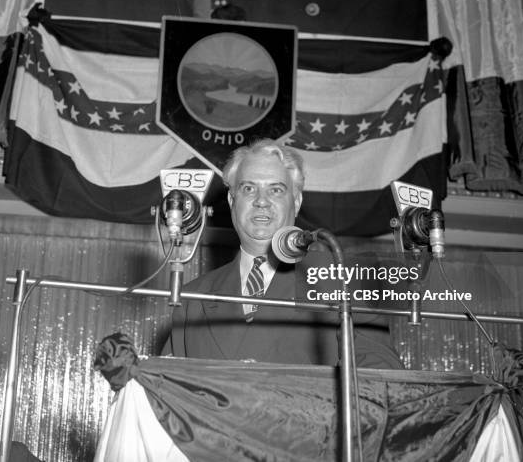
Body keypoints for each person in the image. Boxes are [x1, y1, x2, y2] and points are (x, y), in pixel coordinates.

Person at [162, 139, 403, 368]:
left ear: (296, 202)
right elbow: (163, 391)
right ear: (231, 199)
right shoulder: (192, 299)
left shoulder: (337, 282)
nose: (261, 201)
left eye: (276, 190)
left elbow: (381, 376)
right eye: (248, 188)